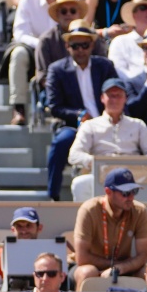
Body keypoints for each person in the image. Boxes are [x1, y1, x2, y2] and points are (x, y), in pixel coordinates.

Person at [46, 19, 118, 200]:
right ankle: (52, 196)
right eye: (75, 45)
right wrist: (78, 115)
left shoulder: (105, 66)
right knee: (61, 142)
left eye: (84, 45)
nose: (80, 50)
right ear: (67, 46)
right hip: (74, 126)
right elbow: (54, 107)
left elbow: (117, 93)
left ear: (92, 45)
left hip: (106, 123)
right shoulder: (56, 69)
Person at [68, 78, 147, 201]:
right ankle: (86, 219)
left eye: (119, 95)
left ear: (125, 98)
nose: (115, 99)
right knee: (80, 184)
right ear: (102, 98)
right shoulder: (90, 125)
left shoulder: (137, 125)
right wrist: (97, 162)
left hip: (132, 176)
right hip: (101, 175)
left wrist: (138, 165)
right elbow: (74, 155)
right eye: (110, 95)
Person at [2, 0, 64, 126]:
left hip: (63, 51)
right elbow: (20, 34)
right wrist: (42, 45)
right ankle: (19, 108)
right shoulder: (28, 0)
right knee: (18, 54)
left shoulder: (70, 1)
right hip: (33, 50)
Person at [72, 167, 147, 288]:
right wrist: (114, 266)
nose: (131, 197)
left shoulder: (139, 211)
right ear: (108, 192)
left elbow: (144, 254)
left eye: (134, 191)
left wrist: (121, 268)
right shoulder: (89, 210)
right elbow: (82, 258)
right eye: (125, 193)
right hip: (92, 266)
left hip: (123, 267)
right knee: (87, 272)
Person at [35, 0, 102, 89]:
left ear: (79, 13)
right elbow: (44, 77)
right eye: (64, 11)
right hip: (58, 91)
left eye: (73, 11)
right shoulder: (46, 40)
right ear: (57, 14)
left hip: (92, 88)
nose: (68, 14)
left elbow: (103, 67)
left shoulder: (93, 37)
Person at [0, 207, 44, 292]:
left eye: (28, 226)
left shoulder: (51, 256)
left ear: (39, 228)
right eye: (19, 227)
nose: (24, 231)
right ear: (13, 230)